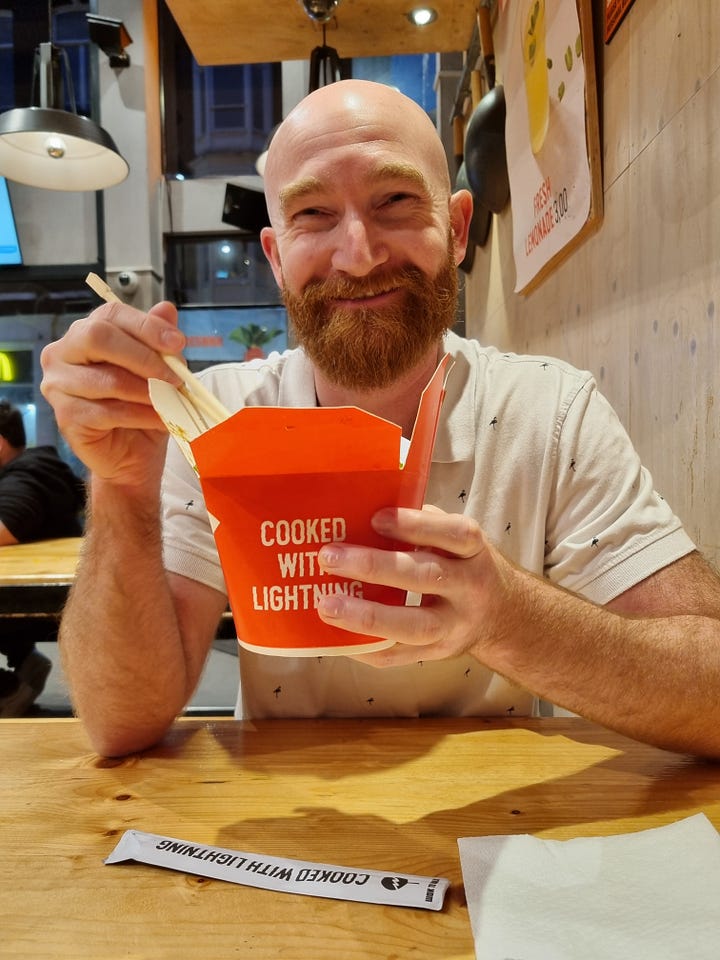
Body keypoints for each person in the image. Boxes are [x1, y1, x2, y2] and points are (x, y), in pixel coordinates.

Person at [39, 79, 720, 759]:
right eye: (312, 214)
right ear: (276, 258)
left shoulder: (551, 413)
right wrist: (123, 487)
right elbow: (119, 723)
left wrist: (506, 617)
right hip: (273, 838)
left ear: (456, 229)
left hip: (498, 828)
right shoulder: (221, 421)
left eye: (393, 201)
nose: (358, 255)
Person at [0, 399, 86, 716]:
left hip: (47, 600)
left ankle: (8, 690)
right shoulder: (38, 469)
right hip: (52, 596)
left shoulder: (25, 477)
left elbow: (6, 524)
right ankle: (24, 663)